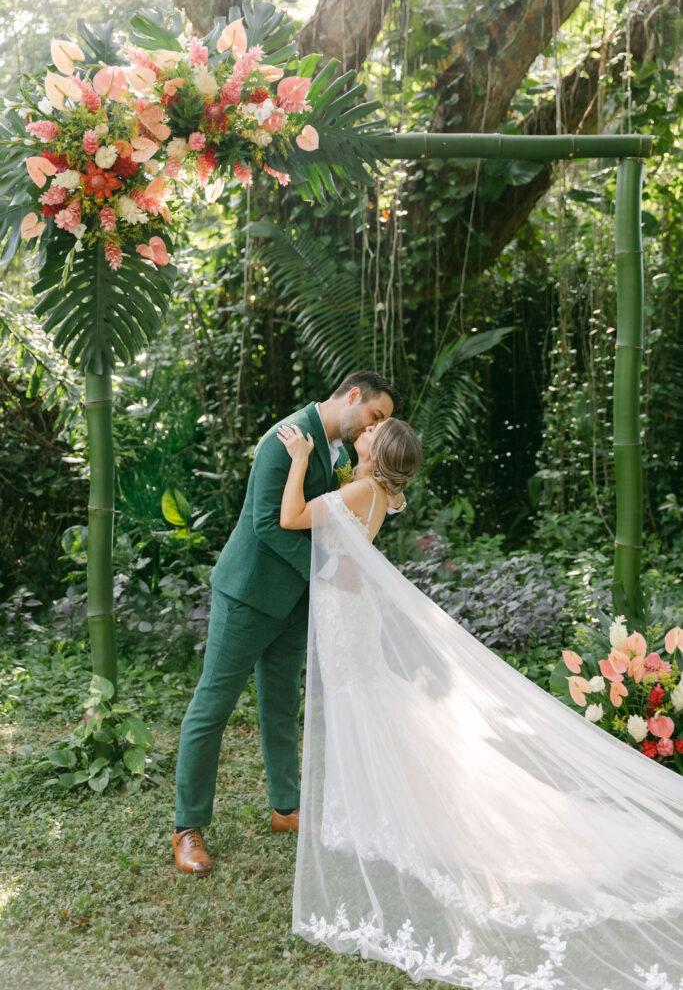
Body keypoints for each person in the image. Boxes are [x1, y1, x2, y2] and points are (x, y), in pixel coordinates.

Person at [277, 423, 683, 990]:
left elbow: (291, 517)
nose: (364, 431)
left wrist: (298, 458)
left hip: (346, 615)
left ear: (379, 455)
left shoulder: (361, 491)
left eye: (373, 432)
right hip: (348, 611)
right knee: (372, 704)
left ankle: (391, 808)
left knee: (367, 703)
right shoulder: (376, 490)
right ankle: (382, 803)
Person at [172, 371, 400, 875]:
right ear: (354, 396)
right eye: (375, 416)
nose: (374, 427)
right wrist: (330, 570)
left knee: (281, 706)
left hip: (298, 602)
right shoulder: (286, 438)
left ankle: (286, 807)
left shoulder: (340, 450)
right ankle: (187, 827)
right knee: (213, 705)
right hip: (249, 595)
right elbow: (265, 523)